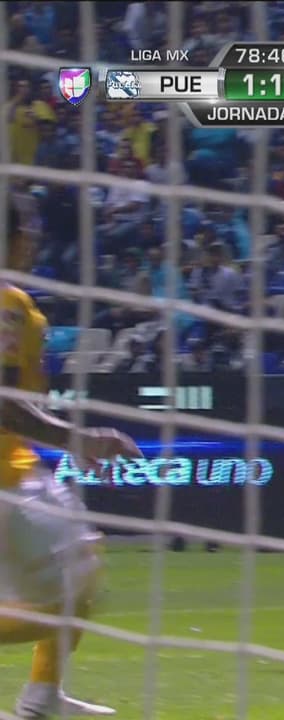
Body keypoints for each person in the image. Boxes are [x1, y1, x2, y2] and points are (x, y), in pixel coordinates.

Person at [0, 204, 143, 718]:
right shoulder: (8, 304)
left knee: (80, 567)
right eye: (29, 229)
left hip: (16, 467)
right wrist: (77, 438)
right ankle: (40, 700)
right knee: (73, 584)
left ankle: (42, 698)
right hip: (6, 479)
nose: (35, 239)